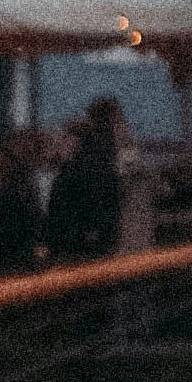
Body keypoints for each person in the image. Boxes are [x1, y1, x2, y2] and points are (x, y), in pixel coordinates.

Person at [44, 94, 129, 262]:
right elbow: (99, 196)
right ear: (113, 119)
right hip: (86, 241)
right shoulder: (101, 153)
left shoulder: (87, 151)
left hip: (75, 238)